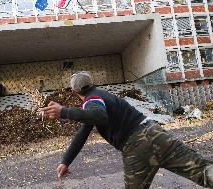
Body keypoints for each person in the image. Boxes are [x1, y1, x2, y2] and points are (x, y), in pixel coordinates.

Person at [40, 71, 213, 189]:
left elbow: (99, 116)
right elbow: (83, 132)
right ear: (93, 83)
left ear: (74, 91)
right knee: (202, 171)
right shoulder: (104, 96)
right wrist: (66, 160)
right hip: (156, 133)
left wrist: (64, 112)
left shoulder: (93, 100)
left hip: (137, 146)